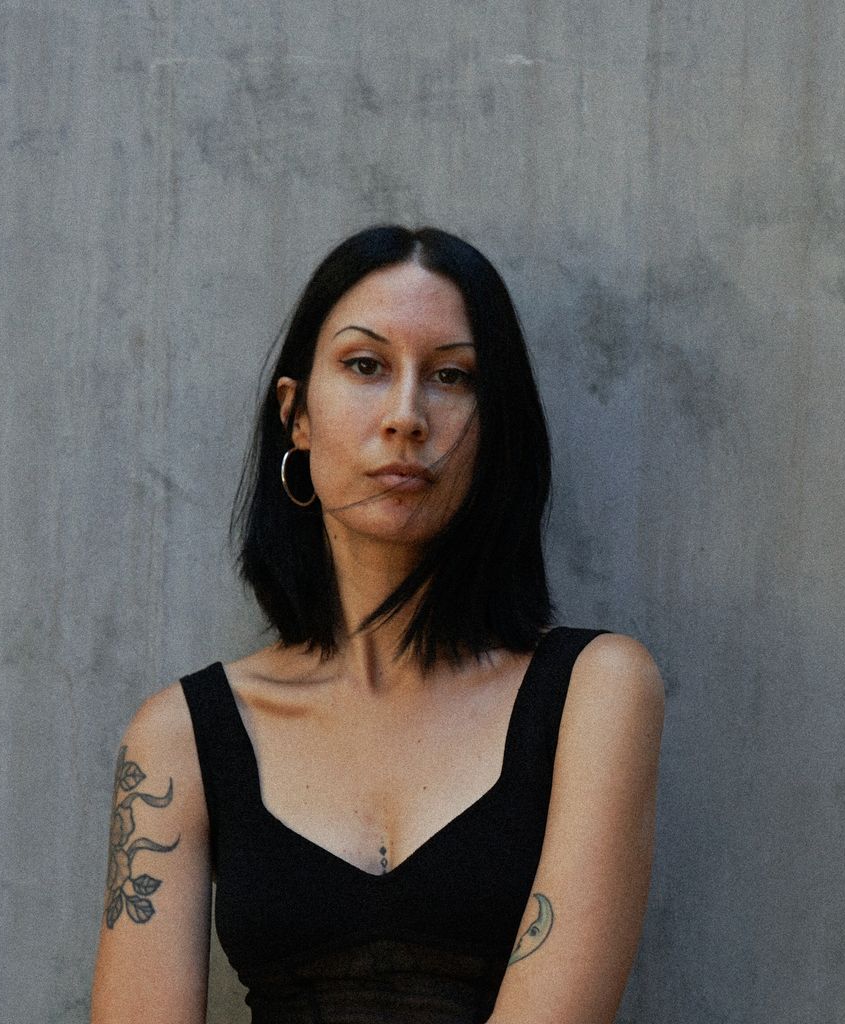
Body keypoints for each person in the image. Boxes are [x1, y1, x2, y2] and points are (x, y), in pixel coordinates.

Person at [89, 225, 665, 1024]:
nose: (406, 416)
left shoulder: (594, 693)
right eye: (365, 366)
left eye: (452, 376)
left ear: (494, 427)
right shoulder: (179, 737)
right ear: (296, 415)